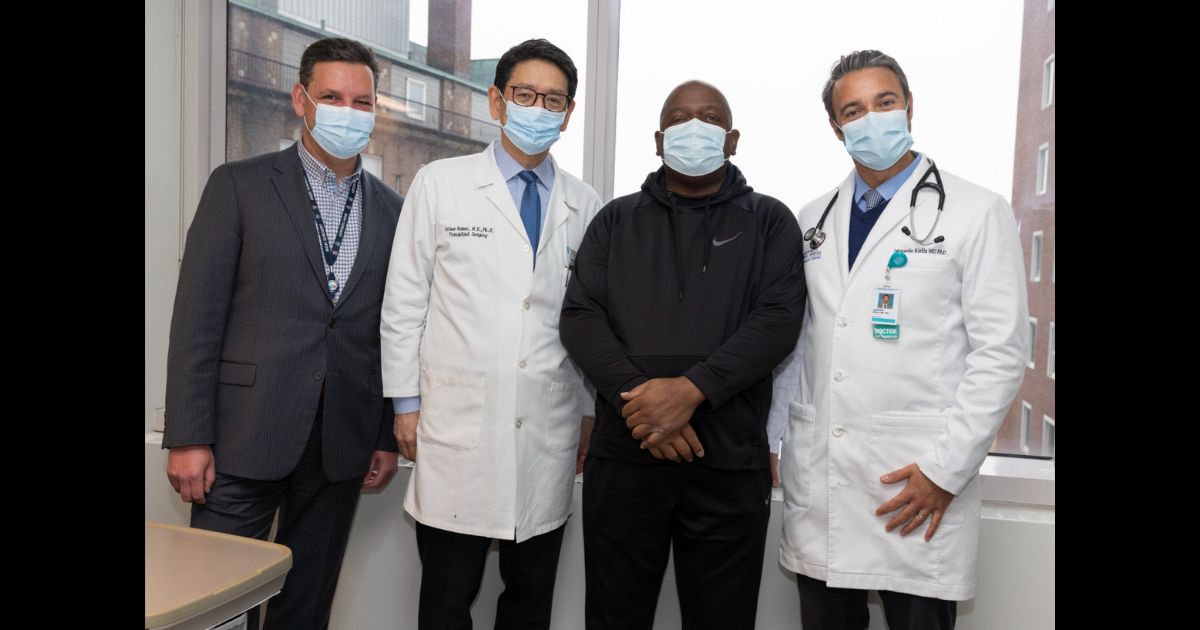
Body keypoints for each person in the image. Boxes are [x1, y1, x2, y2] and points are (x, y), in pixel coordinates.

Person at [771, 50, 1029, 630]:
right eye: (853, 110)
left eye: (884, 103)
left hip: (919, 480)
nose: (871, 120)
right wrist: (773, 441)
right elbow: (802, 342)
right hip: (826, 481)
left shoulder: (975, 211)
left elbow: (1001, 354)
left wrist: (945, 472)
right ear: (836, 128)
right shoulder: (814, 218)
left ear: (910, 106)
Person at [164, 37, 402, 630]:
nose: (349, 111)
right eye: (332, 96)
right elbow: (197, 317)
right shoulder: (239, 185)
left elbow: (391, 330)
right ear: (301, 99)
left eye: (362, 101)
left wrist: (384, 433)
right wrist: (188, 436)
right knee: (213, 604)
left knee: (307, 606)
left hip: (340, 444)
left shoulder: (394, 209)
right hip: (241, 437)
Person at [560, 79, 806, 630]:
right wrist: (648, 407)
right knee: (613, 616)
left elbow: (777, 323)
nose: (694, 127)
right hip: (626, 456)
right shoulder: (615, 221)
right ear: (658, 138)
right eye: (679, 118)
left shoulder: (770, 222)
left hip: (727, 464)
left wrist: (689, 393)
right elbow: (580, 317)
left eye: (710, 117)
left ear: (732, 138)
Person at [380, 38, 601, 630]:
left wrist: (584, 409)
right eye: (525, 95)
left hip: (547, 428)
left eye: (553, 99)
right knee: (448, 600)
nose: (539, 108)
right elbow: (405, 300)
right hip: (458, 427)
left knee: (529, 601)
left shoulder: (585, 203)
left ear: (569, 113)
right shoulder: (440, 182)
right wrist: (405, 404)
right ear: (497, 102)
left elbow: (586, 321)